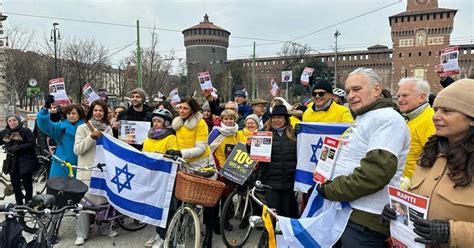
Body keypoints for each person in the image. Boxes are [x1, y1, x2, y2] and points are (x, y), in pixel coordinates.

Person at [316, 68, 410, 247]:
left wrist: (331, 190)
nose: (350, 95)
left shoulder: (387, 118)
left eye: (357, 89)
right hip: (348, 213)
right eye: (348, 91)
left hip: (365, 219)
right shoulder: (365, 117)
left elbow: (375, 173)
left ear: (377, 90)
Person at [382, 79, 474, 247]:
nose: (436, 117)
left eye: (447, 111)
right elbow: (415, 199)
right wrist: (397, 210)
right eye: (436, 109)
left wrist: (452, 233)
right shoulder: (430, 154)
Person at [165, 98, 214, 248]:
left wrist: (180, 152)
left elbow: (200, 148)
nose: (181, 111)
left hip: (202, 165)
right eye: (180, 108)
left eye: (185, 108)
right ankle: (177, 231)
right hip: (184, 163)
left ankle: (209, 234)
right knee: (181, 198)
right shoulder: (177, 123)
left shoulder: (200, 123)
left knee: (208, 201)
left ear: (192, 109)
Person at [73, 100, 114, 246]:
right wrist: (91, 137)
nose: (98, 113)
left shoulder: (108, 129)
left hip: (102, 171)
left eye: (101, 111)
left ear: (105, 113)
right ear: (91, 111)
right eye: (95, 110)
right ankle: (82, 233)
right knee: (84, 205)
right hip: (86, 171)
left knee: (103, 202)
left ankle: (104, 228)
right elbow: (77, 150)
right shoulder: (82, 128)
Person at [142, 108, 178, 248]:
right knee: (156, 207)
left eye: (159, 121)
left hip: (165, 177)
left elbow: (170, 157)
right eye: (154, 121)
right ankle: (158, 233)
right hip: (152, 177)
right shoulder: (148, 137)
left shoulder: (170, 138)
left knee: (167, 207)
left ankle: (164, 235)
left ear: (166, 123)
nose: (155, 124)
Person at [256, 105, 298, 218]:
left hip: (289, 183)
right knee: (272, 217)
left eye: (279, 117)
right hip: (271, 183)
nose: (276, 120)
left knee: (287, 216)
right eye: (273, 117)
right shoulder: (263, 134)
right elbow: (256, 156)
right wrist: (250, 146)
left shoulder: (295, 135)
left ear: (285, 119)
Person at [37, 95, 86, 178]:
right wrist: (45, 108)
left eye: (74, 113)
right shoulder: (61, 127)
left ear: (79, 115)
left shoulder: (86, 128)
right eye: (68, 113)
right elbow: (44, 125)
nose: (71, 116)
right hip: (62, 165)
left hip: (81, 165)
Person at [397, 77, 435, 179]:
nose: (400, 100)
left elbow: (434, 161)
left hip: (414, 187)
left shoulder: (430, 120)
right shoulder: (410, 118)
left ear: (422, 97)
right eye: (398, 96)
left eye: (405, 95)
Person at [0, 114, 39, 205]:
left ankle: (28, 201)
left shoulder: (25, 131)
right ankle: (19, 201)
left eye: (14, 120)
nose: (12, 123)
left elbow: (32, 144)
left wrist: (18, 148)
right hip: (12, 161)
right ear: (7, 122)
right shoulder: (4, 132)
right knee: (15, 183)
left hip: (25, 160)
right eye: (9, 121)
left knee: (27, 182)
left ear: (18, 121)